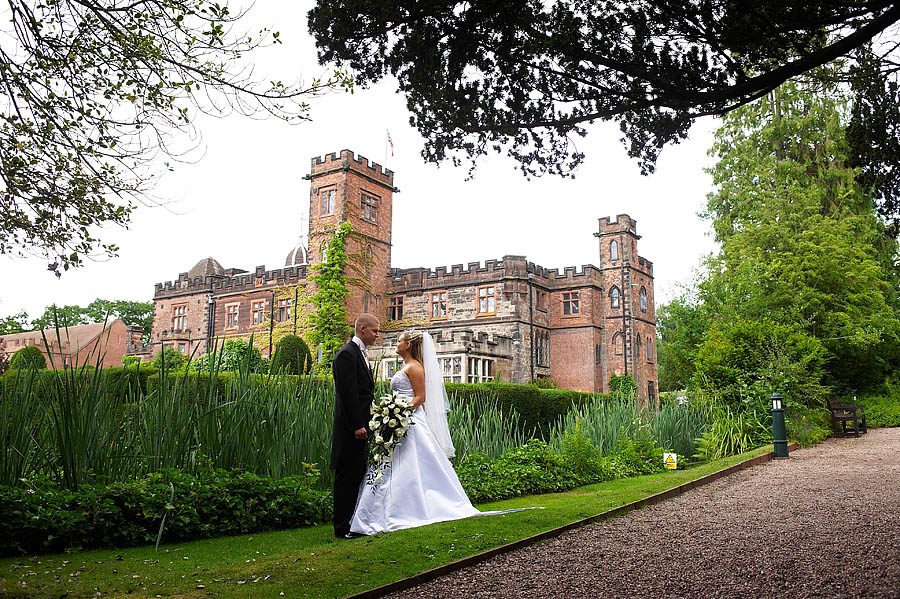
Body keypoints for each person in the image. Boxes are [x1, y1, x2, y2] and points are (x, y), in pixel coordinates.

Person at [350, 329, 479, 535]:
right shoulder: (406, 366)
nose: (396, 343)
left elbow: (420, 397)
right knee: (393, 465)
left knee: (409, 465)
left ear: (408, 345)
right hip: (399, 420)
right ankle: (379, 511)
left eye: (399, 341)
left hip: (409, 420)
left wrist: (398, 413)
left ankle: (409, 508)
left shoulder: (415, 367)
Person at [331, 313, 380, 539]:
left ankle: (352, 522)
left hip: (362, 425)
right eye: (374, 331)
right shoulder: (347, 354)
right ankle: (341, 527)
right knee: (346, 475)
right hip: (352, 428)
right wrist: (357, 425)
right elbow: (347, 394)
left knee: (356, 473)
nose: (377, 335)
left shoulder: (360, 354)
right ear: (362, 329)